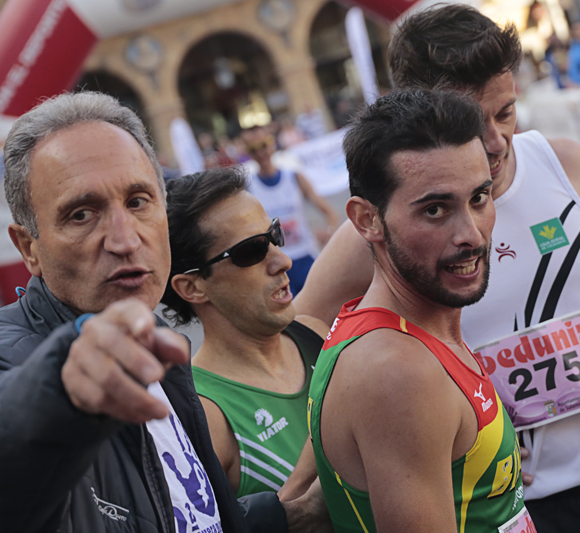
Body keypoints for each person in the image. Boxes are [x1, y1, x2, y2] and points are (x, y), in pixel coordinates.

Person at [295, 5, 580, 532]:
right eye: (475, 122)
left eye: (506, 112)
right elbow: (306, 340)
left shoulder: (561, 164)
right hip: (522, 506)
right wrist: (342, 460)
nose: (496, 140)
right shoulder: (385, 229)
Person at [0, 91, 327, 532]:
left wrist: (285, 517)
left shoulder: (159, 349)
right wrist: (63, 389)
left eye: (138, 202)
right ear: (29, 248)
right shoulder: (17, 362)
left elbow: (182, 515)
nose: (124, 239)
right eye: (81, 214)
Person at [307, 88, 533, 533]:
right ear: (367, 220)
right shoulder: (399, 372)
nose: (471, 234)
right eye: (435, 209)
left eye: (479, 199)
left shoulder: (406, 328)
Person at [160, 166, 328, 497]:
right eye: (251, 251)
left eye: (274, 236)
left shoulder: (315, 335)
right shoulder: (206, 417)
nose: (282, 260)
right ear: (192, 287)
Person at [242, 126, 339, 295]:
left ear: (272, 144)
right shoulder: (249, 188)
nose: (261, 153)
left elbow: (328, 211)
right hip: (276, 265)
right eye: (254, 149)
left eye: (264, 145)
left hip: (306, 257)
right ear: (248, 153)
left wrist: (329, 231)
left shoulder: (294, 176)